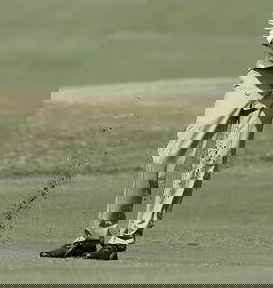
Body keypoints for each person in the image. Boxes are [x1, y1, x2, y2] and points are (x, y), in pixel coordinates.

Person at [40, 22, 273, 260]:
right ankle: (92, 236)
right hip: (259, 81)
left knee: (200, 169)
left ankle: (121, 240)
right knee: (169, 155)